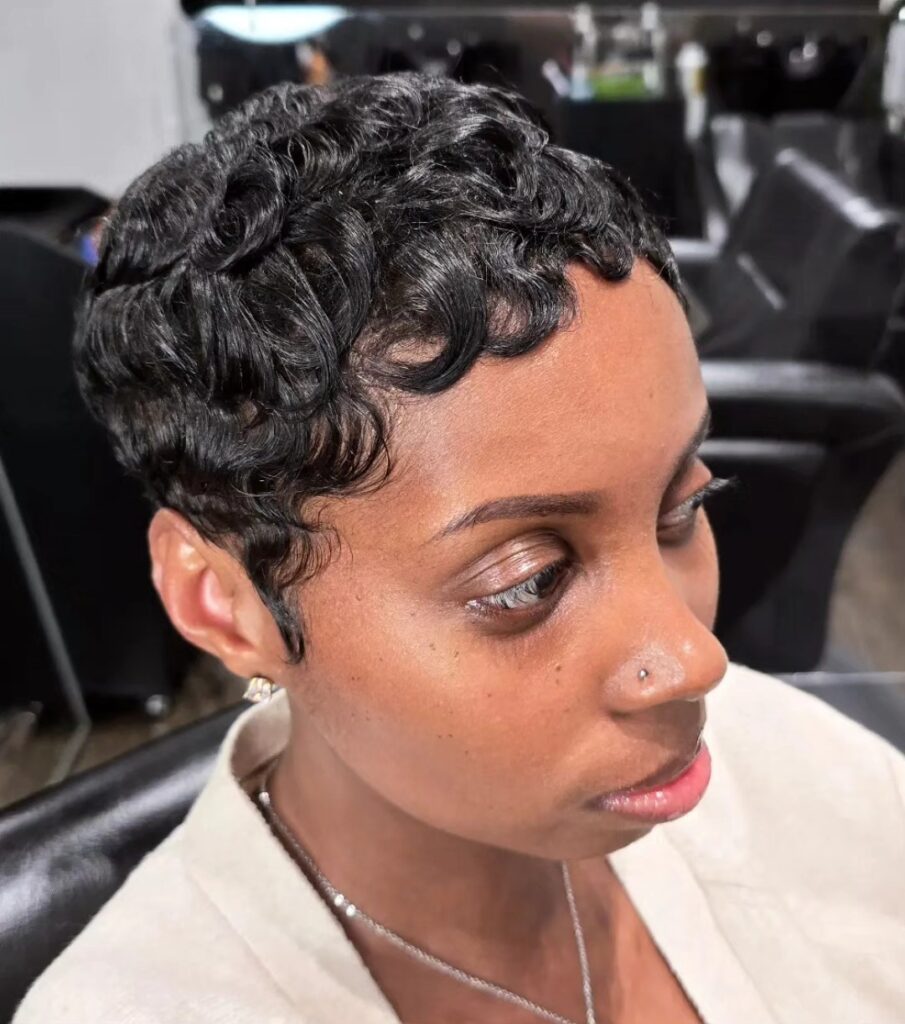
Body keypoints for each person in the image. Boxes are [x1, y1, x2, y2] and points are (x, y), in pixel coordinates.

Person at [14, 73, 905, 1024]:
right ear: (222, 603)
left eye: (681, 508)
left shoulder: (801, 769)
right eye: (528, 581)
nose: (696, 660)